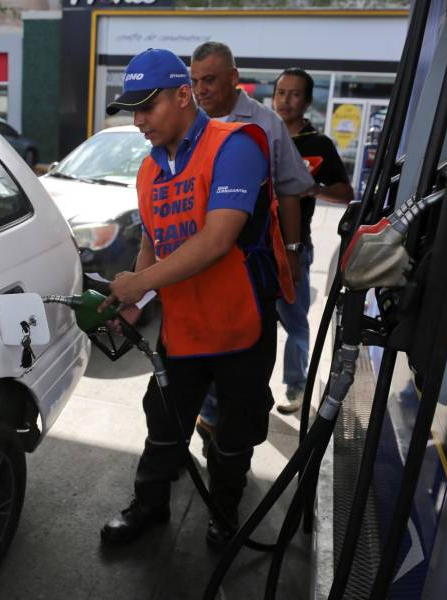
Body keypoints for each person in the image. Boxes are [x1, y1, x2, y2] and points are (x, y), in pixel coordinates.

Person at [98, 48, 295, 550]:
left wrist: (138, 284)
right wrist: (132, 305)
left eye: (148, 106)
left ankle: (225, 514)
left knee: (233, 437)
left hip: (240, 326)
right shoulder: (148, 169)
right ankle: (149, 506)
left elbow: (217, 239)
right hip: (183, 328)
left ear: (184, 95)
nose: (139, 120)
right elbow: (152, 242)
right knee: (163, 425)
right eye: (133, 110)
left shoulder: (238, 144)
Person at [190, 42, 314, 443]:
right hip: (197, 264)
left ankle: (240, 431)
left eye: (209, 80)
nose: (201, 90)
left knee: (247, 351)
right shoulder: (188, 122)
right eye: (195, 82)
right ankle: (208, 416)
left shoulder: (264, 124)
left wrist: (293, 254)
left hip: (252, 265)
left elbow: (292, 189)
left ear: (232, 77)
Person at [271, 67, 354, 413]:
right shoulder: (261, 134)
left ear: (306, 101)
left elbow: (345, 193)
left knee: (295, 324)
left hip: (294, 249)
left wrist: (314, 187)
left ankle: (297, 387)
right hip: (255, 250)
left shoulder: (318, 145)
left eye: (294, 94)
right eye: (280, 92)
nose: (286, 100)